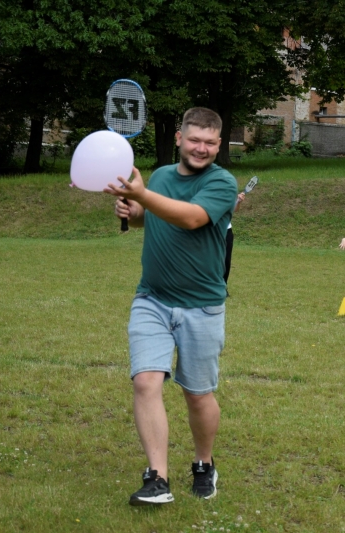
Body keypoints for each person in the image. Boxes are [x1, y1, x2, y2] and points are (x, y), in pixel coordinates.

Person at [105, 107, 238, 505]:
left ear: (218, 145)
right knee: (146, 381)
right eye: (195, 139)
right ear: (179, 138)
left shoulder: (222, 182)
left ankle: (203, 463)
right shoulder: (162, 176)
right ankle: (157, 479)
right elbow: (154, 218)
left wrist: (142, 195)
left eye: (211, 142)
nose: (202, 148)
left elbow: (193, 219)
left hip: (202, 306)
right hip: (152, 298)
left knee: (197, 394)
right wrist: (134, 210)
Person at [223, 192, 247, 292]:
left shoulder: (227, 192)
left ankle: (223, 287)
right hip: (213, 231)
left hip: (227, 231)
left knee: (226, 261)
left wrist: (238, 202)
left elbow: (234, 209)